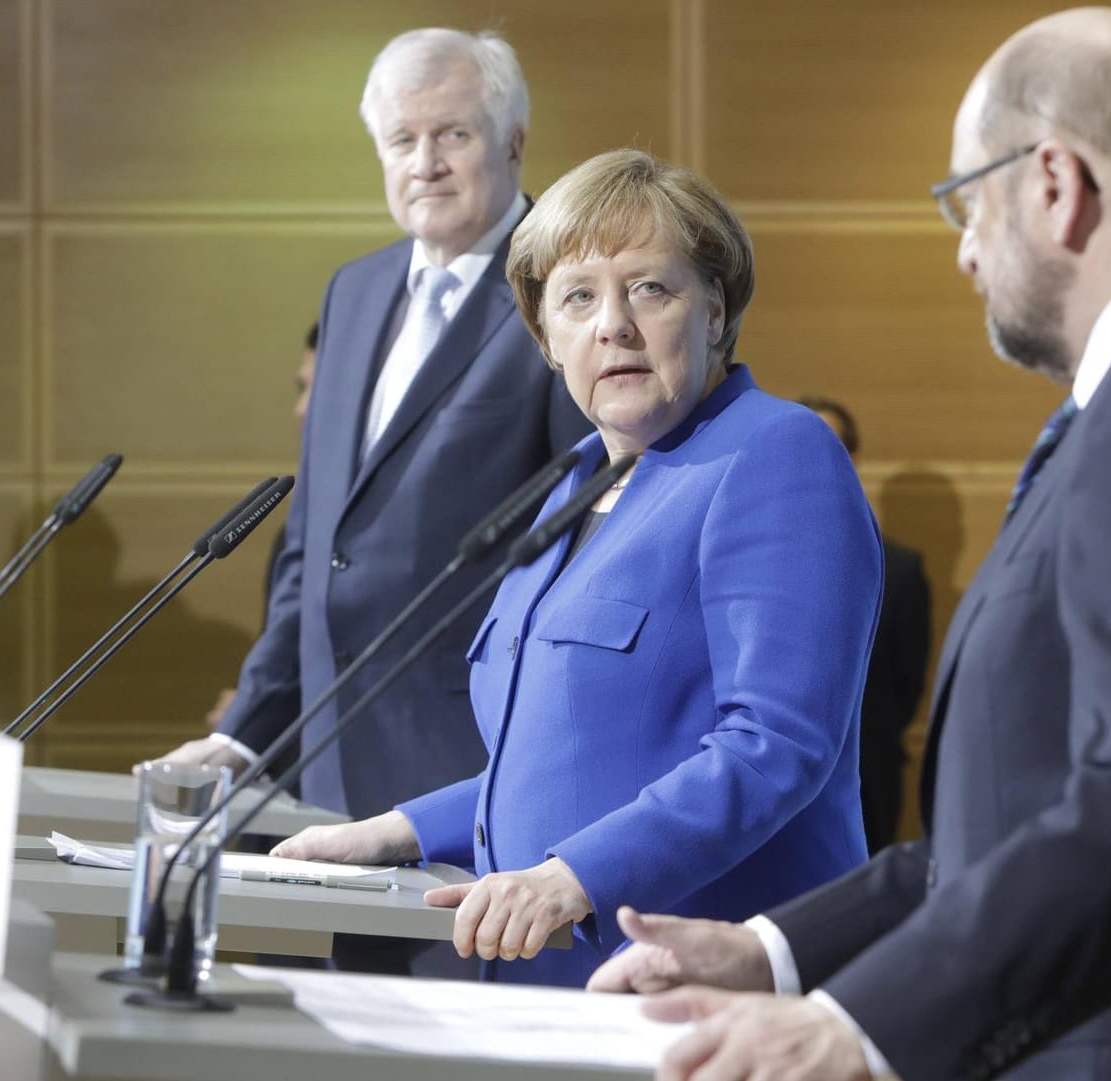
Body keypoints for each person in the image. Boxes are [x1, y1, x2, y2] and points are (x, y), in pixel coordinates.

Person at [589, 9, 1111, 1080]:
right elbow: (1022, 823)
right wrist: (770, 951)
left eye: (965, 200)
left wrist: (859, 1029)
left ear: (1054, 183)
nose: (964, 248)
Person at [272, 148, 883, 988]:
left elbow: (774, 744)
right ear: (547, 341)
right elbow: (565, 758)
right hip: (541, 980)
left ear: (714, 310)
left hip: (689, 981)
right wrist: (396, 830)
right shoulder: (574, 482)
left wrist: (572, 878)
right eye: (578, 298)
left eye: (650, 288)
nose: (614, 325)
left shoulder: (776, 453)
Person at [153, 28, 590, 976]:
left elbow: (588, 544)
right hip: (331, 773)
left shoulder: (564, 293)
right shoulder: (354, 292)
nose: (425, 164)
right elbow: (316, 549)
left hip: (476, 772)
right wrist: (245, 733)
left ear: (514, 142)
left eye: (454, 136)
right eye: (402, 141)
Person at [797, 396, 929, 853]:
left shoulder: (902, 568)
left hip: (867, 786)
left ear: (853, 459)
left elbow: (906, 687)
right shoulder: (739, 556)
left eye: (832, 449)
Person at [204, 322, 320, 734]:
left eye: (319, 388)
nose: (301, 409)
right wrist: (252, 710)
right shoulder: (298, 533)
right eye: (300, 388)